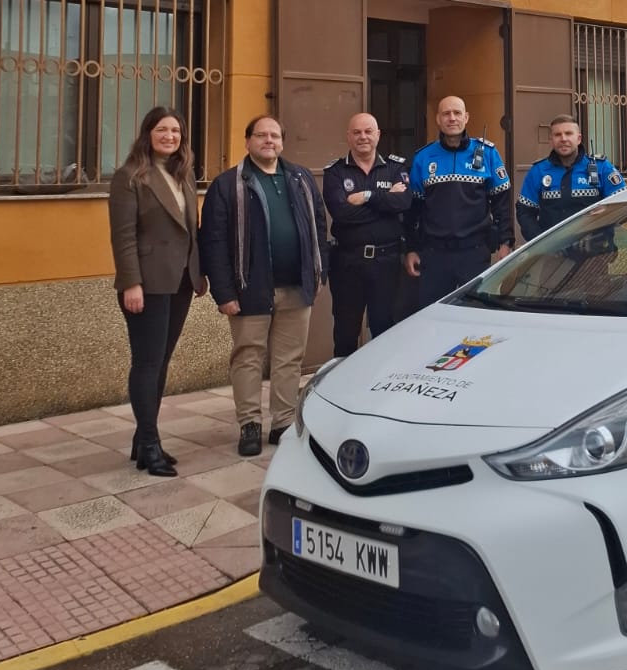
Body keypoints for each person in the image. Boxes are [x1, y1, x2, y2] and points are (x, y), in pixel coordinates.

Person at [199, 115, 328, 456]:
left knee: (289, 359)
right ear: (248, 141)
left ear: (282, 142)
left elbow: (318, 225)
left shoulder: (299, 178)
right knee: (248, 357)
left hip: (296, 286)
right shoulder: (228, 185)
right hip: (249, 289)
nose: (268, 140)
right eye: (261, 135)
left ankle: (283, 422)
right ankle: (250, 424)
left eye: (274, 135)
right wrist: (224, 293)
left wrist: (318, 274)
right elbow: (212, 242)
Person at [107, 106, 207, 478]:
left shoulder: (183, 175)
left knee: (162, 361)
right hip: (146, 284)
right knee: (147, 363)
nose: (169, 136)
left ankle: (142, 437)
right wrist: (131, 282)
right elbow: (123, 236)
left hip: (180, 280)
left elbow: (190, 230)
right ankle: (149, 444)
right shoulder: (129, 177)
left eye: (176, 131)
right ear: (147, 133)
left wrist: (198, 273)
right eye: (162, 130)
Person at [405, 96, 514, 307]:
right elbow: (413, 209)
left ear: (466, 117)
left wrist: (505, 242)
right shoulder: (424, 157)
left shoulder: (488, 153)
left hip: (474, 254)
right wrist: (411, 248)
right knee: (433, 318)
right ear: (438, 119)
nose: (452, 118)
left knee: (477, 315)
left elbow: (502, 203)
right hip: (434, 255)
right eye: (446, 113)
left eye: (457, 113)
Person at [323, 112, 411, 353]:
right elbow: (342, 213)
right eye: (357, 132)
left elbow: (403, 203)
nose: (363, 137)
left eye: (368, 131)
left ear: (378, 135)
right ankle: (343, 386)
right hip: (348, 262)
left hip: (387, 262)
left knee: (384, 329)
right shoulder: (336, 172)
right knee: (345, 332)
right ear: (348, 137)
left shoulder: (394, 168)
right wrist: (384, 204)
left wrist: (367, 197)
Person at [516, 115, 626, 241]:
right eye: (557, 135)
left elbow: (625, 204)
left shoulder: (601, 167)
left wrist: (607, 211)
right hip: (553, 254)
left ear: (578, 138)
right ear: (551, 140)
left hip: (596, 254)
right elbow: (525, 212)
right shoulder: (538, 171)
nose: (563, 139)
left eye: (568, 133)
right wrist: (540, 244)